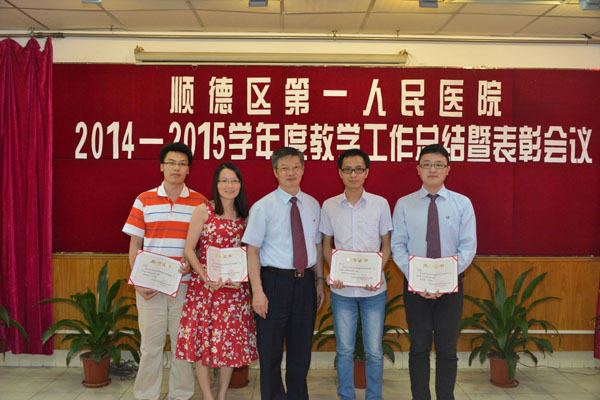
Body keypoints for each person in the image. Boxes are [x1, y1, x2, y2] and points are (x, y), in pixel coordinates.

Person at [391, 144, 477, 400]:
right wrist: (418, 280)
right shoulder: (404, 204)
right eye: (427, 164)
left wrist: (444, 281)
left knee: (447, 349)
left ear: (448, 169)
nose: (432, 170)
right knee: (418, 348)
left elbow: (468, 247)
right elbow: (398, 246)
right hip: (415, 288)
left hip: (451, 287)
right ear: (418, 169)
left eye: (439, 165)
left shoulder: (462, 204)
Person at [123, 142, 207, 400]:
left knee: (183, 346)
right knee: (150, 348)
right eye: (171, 163)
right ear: (161, 166)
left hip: (186, 287)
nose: (176, 168)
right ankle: (146, 395)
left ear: (189, 169)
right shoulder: (144, 199)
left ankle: (180, 394)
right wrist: (138, 282)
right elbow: (135, 244)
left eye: (182, 164)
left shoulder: (200, 203)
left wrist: (191, 263)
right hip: (150, 287)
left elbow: (203, 247)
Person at [242, 146, 326, 400]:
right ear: (275, 172)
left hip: (305, 283)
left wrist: (319, 282)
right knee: (270, 350)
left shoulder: (313, 205)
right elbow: (252, 251)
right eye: (285, 168)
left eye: (295, 167)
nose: (291, 173)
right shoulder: (263, 207)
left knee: (301, 349)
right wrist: (258, 291)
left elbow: (316, 246)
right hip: (273, 283)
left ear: (303, 169)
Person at [175, 162, 258, 400]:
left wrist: (242, 278)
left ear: (240, 184)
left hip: (234, 292)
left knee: (228, 345)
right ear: (216, 184)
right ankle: (208, 396)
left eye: (234, 181)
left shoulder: (245, 216)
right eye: (224, 181)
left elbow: (251, 253)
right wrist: (206, 277)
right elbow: (189, 249)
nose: (229, 186)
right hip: (204, 290)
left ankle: (221, 395)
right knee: (203, 343)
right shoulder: (204, 210)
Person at [319, 149, 392, 400]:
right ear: (340, 173)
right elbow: (326, 246)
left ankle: (374, 397)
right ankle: (346, 396)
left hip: (374, 291)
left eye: (358, 169)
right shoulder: (329, 206)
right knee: (344, 350)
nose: (353, 174)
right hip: (342, 291)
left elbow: (386, 246)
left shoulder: (380, 204)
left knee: (374, 351)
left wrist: (376, 273)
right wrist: (334, 270)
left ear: (367, 172)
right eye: (348, 169)